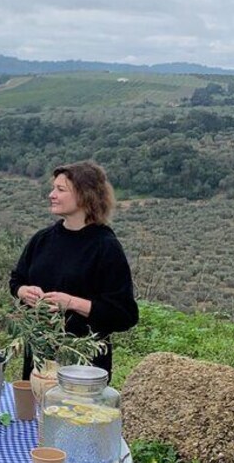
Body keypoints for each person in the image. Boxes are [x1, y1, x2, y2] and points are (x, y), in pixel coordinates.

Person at [9, 161, 138, 381]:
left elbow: (124, 314)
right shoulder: (42, 239)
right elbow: (16, 280)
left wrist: (71, 303)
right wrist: (23, 292)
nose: (52, 195)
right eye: (53, 188)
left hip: (84, 367)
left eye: (61, 190)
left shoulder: (105, 246)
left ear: (85, 195)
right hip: (40, 360)